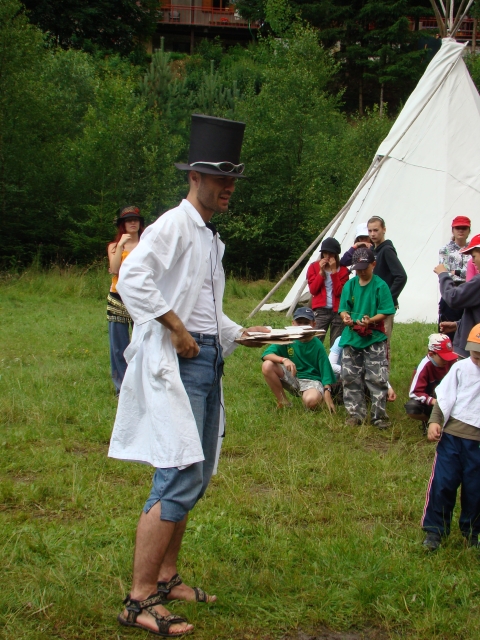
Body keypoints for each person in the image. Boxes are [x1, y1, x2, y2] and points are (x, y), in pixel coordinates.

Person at [109, 114, 268, 637]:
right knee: (177, 474)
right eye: (220, 178)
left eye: (232, 179)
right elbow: (132, 276)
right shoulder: (174, 225)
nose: (228, 187)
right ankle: (138, 600)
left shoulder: (207, 237)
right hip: (181, 364)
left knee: (195, 476)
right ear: (194, 178)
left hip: (206, 360)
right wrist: (175, 328)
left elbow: (207, 311)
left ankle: (167, 576)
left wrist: (245, 334)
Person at [421, 323, 480, 551]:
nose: (477, 358)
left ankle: (472, 533)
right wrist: (435, 421)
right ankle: (435, 531)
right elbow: (445, 397)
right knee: (443, 483)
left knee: (475, 490)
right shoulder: (460, 368)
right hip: (453, 437)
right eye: (474, 354)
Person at [338, 247, 396, 428]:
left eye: (365, 268)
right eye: (358, 269)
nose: (361, 272)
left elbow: (386, 311)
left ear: (373, 264)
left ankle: (379, 416)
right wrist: (346, 317)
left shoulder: (380, 285)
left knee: (377, 377)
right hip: (352, 337)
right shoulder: (350, 285)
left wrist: (370, 320)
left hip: (374, 337)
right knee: (349, 376)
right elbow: (343, 309)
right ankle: (355, 414)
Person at [261, 307, 336, 411]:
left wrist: (327, 391)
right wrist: (284, 360)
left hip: (311, 380)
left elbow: (326, 371)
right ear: (293, 323)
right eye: (299, 322)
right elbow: (266, 354)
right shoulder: (288, 338)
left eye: (306, 323)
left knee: (311, 402)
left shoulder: (317, 345)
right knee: (267, 365)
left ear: (313, 325)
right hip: (293, 376)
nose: (302, 326)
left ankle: (316, 397)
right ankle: (283, 402)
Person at [107, 206, 144, 397]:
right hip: (118, 298)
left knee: (143, 343)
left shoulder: (147, 244)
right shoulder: (114, 246)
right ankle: (121, 387)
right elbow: (114, 270)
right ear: (122, 224)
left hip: (141, 298)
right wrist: (121, 245)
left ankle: (142, 384)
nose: (132, 223)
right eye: (128, 220)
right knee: (118, 346)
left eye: (135, 220)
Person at [434, 233, 480, 359]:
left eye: (474, 256)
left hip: (474, 350)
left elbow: (453, 298)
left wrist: (443, 275)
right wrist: (458, 325)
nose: (472, 261)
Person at [404, 334, 458, 432]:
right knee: (412, 407)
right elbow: (414, 393)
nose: (447, 360)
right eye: (443, 358)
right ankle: (429, 422)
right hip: (433, 401)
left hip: (452, 399)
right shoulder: (424, 367)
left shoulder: (454, 361)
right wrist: (433, 401)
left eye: (449, 356)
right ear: (431, 354)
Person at [367, 216, 407, 345]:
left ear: (384, 230)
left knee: (383, 343)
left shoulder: (387, 250)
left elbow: (401, 276)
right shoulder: (372, 251)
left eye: (376, 230)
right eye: (370, 231)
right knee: (371, 342)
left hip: (384, 307)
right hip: (372, 303)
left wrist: (388, 298)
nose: (373, 234)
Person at [329, 335, 397, 404]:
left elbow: (375, 369)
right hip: (341, 380)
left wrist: (388, 386)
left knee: (382, 391)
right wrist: (354, 371)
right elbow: (331, 365)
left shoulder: (370, 341)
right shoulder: (341, 339)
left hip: (362, 379)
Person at [306, 237, 350, 347]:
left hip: (338, 310)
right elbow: (313, 290)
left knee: (336, 345)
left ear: (336, 254)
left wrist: (334, 271)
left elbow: (339, 292)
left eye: (330, 253)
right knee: (315, 342)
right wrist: (321, 273)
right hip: (321, 310)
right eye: (325, 253)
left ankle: (333, 359)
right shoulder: (313, 267)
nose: (327, 256)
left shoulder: (343, 270)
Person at [438, 216, 472, 339]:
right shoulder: (445, 249)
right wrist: (466, 272)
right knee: (448, 333)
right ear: (452, 230)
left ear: (469, 231)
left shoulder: (474, 249)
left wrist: (455, 271)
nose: (461, 230)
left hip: (470, 292)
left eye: (464, 228)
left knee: (469, 329)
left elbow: (475, 272)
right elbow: (444, 271)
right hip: (451, 290)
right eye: (458, 228)